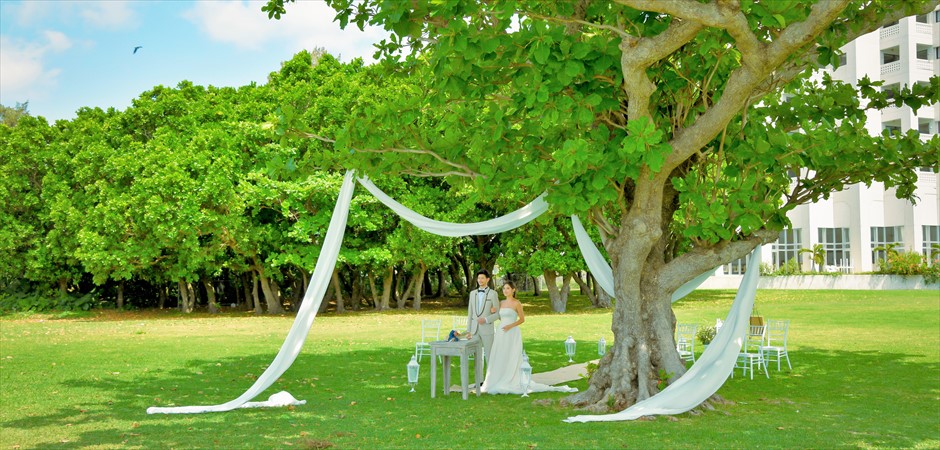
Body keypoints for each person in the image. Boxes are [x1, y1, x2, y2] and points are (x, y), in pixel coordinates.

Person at [481, 281, 577, 395]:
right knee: (500, 354)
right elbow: (496, 314)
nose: (505, 291)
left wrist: (510, 326)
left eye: (507, 288)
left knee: (512, 354)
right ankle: (497, 377)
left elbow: (522, 319)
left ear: (513, 290)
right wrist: (493, 311)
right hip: (501, 332)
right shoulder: (501, 303)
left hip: (512, 331)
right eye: (504, 289)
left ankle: (511, 378)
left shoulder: (517, 303)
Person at [464, 269, 501, 369]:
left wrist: (486, 319)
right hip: (474, 330)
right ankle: (479, 380)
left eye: (482, 278)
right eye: (479, 278)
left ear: (487, 279)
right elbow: (470, 313)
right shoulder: (472, 293)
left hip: (487, 329)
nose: (480, 280)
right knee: (477, 357)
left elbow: (498, 314)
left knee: (489, 355)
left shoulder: (493, 294)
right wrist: (469, 330)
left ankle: (490, 380)